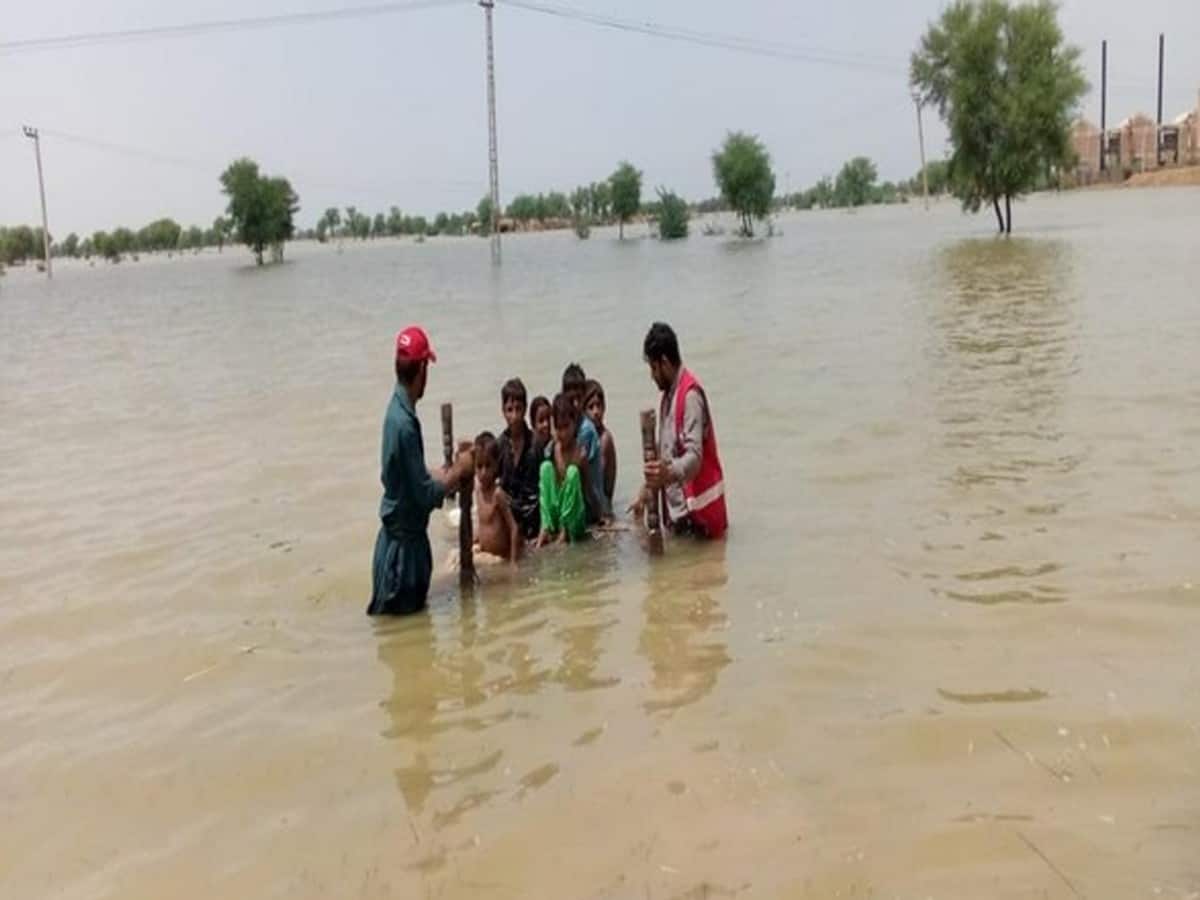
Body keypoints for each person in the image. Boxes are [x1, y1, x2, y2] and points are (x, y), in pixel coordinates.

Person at [368, 326, 474, 616]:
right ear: (423, 369)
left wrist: (442, 472)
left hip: (393, 544)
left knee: (401, 642)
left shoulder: (396, 412)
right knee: (405, 630)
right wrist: (460, 471)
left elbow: (405, 476)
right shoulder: (404, 425)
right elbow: (425, 494)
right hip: (404, 554)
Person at [639, 322, 728, 539]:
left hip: (700, 523)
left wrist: (667, 473)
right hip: (680, 519)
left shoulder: (690, 397)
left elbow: (694, 457)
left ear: (665, 362)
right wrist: (645, 490)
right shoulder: (668, 397)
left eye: (653, 368)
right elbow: (666, 454)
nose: (652, 375)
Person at [537, 393, 589, 546]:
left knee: (572, 472)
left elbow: (584, 490)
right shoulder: (553, 448)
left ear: (575, 424)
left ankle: (566, 531)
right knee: (545, 468)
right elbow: (548, 488)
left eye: (566, 427)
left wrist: (601, 514)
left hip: (575, 515)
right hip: (558, 511)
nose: (563, 433)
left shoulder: (580, 452)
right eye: (559, 428)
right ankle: (546, 528)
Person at [560, 363, 608, 524]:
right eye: (570, 399)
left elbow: (577, 475)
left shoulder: (585, 430)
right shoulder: (568, 426)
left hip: (589, 507)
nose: (574, 404)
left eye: (578, 399)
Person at [497, 378, 541, 540]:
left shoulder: (535, 444)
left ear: (525, 409)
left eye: (518, 409)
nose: (514, 416)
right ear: (503, 411)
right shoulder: (500, 445)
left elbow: (542, 489)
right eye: (510, 410)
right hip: (510, 515)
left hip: (532, 516)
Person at [474, 431, 522, 562]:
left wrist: (513, 563)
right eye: (479, 466)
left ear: (496, 466)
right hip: (486, 553)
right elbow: (483, 522)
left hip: (500, 558)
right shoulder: (477, 491)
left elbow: (514, 528)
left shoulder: (498, 494)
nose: (483, 472)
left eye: (488, 466)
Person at [584, 379, 618, 516]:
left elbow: (598, 479)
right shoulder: (583, 436)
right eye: (591, 407)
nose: (596, 412)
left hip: (602, 505)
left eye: (599, 406)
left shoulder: (605, 439)